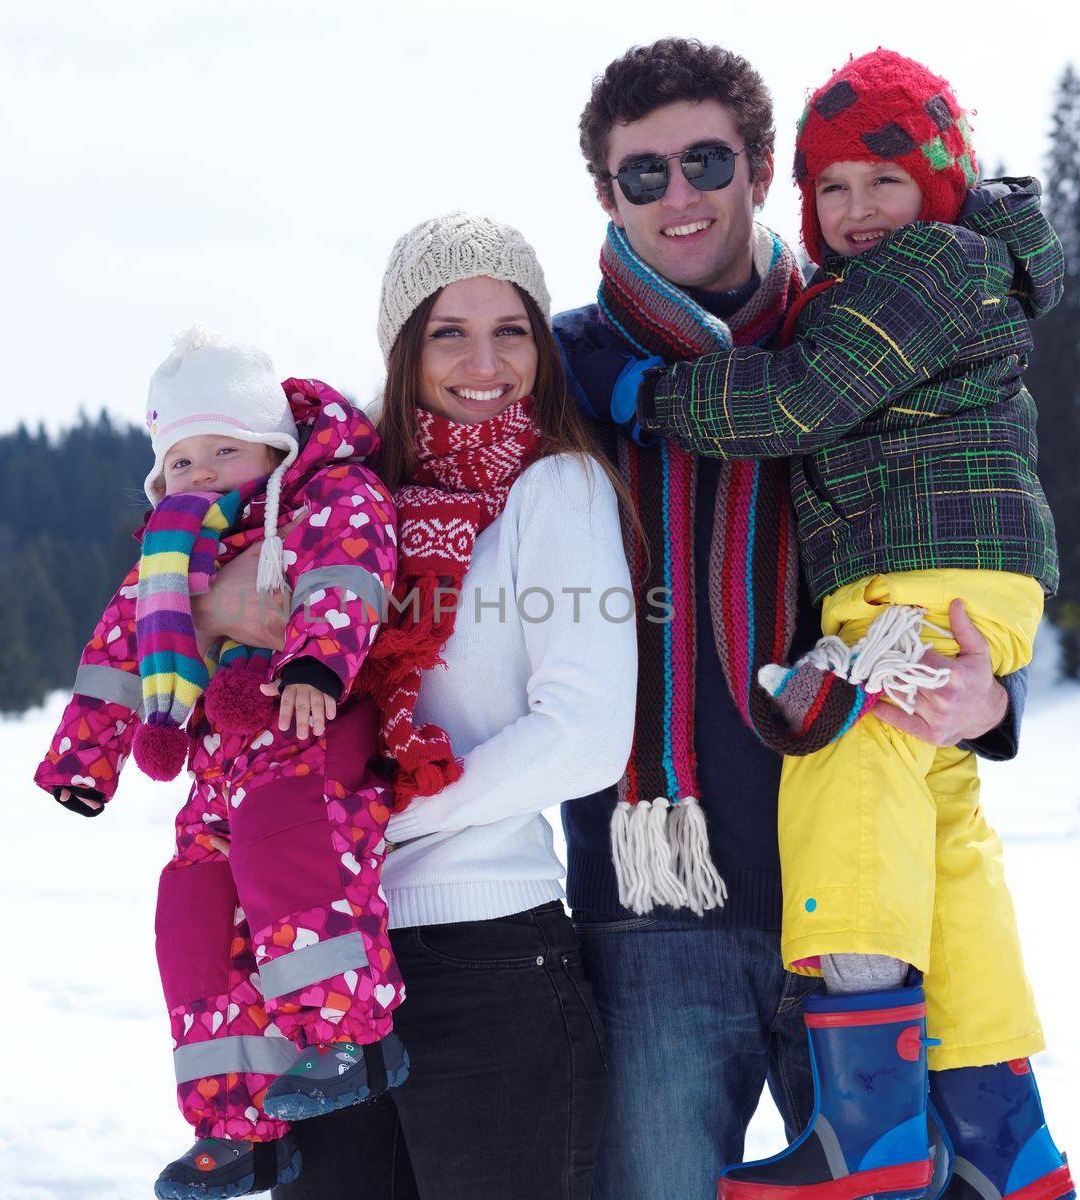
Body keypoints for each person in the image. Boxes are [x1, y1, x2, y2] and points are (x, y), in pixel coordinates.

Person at [553, 40, 1033, 1199]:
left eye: (706, 160)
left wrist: (994, 704)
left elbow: (970, 536)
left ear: (762, 170)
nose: (679, 196)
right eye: (642, 174)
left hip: (867, 909)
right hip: (654, 911)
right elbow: (407, 498)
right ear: (605, 193)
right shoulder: (558, 365)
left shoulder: (869, 327)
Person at [273, 212, 633, 1200]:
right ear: (403, 352)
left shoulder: (553, 491)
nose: (485, 361)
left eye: (510, 329)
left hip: (489, 969)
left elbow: (584, 739)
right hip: (325, 965)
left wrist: (372, 826)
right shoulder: (349, 514)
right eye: (448, 332)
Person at [33, 327, 409, 1199]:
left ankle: (349, 1036)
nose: (201, 474)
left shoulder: (328, 498)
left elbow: (349, 577)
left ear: (273, 448)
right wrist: (84, 760)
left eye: (225, 450)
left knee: (291, 860)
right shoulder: (166, 559)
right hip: (218, 767)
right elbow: (114, 657)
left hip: (308, 726)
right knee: (193, 912)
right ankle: (237, 1125)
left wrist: (317, 659)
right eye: (183, 460)